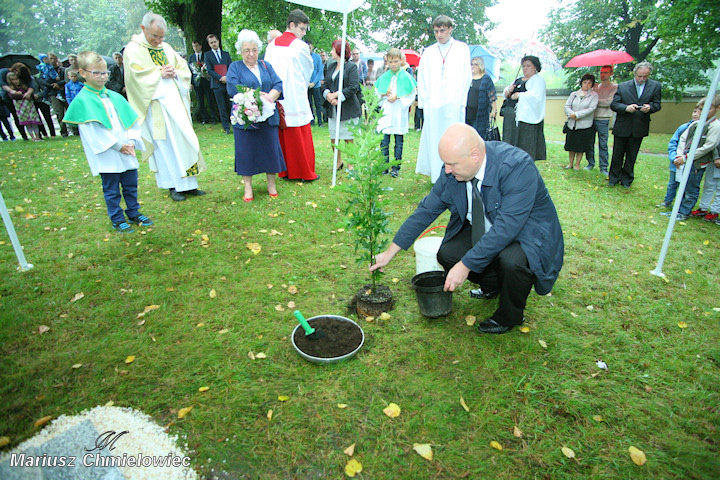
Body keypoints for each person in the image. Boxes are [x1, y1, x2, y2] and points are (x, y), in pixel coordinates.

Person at [370, 123, 564, 333]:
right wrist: (390, 252)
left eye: (452, 164)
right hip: (487, 228)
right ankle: (494, 285)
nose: (446, 170)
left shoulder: (517, 167)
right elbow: (425, 211)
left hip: (525, 234)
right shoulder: (453, 172)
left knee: (511, 261)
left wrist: (466, 265)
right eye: (445, 163)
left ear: (475, 156)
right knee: (448, 254)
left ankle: (510, 316)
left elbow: (506, 229)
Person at [63, 50, 152, 234]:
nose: (102, 76)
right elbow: (93, 132)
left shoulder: (115, 96)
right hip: (108, 153)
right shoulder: (83, 101)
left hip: (127, 149)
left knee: (130, 184)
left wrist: (132, 141)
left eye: (105, 72)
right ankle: (117, 218)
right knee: (111, 189)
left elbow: (131, 122)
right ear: (83, 73)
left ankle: (134, 212)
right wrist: (118, 146)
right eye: (96, 73)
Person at [124, 12, 207, 202]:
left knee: (184, 142)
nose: (159, 40)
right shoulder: (132, 50)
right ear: (143, 29)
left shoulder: (166, 47)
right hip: (157, 108)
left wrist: (175, 73)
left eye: (162, 36)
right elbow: (135, 79)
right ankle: (173, 185)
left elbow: (183, 69)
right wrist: (158, 73)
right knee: (166, 146)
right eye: (155, 36)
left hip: (177, 106)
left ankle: (190, 184)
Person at [227, 29, 286, 202]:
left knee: (270, 150)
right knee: (246, 152)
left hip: (268, 118)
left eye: (254, 50)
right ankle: (248, 187)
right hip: (245, 119)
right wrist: (256, 95)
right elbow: (233, 87)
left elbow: (278, 83)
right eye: (247, 50)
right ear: (240, 51)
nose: (251, 54)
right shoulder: (235, 67)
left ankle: (271, 184)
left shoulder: (266, 65)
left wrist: (271, 96)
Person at [264, 8, 319, 181]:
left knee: (283, 131)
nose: (303, 33)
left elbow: (267, 69)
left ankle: (285, 170)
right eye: (302, 29)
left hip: (277, 94)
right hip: (294, 95)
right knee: (299, 133)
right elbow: (307, 70)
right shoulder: (300, 46)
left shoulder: (271, 45)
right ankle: (304, 172)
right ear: (292, 25)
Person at [415, 14, 471, 183]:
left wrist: (461, 102)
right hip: (434, 103)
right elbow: (422, 77)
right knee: (435, 139)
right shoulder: (429, 52)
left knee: (454, 138)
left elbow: (466, 77)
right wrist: (425, 102)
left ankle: (455, 173)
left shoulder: (461, 48)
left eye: (443, 30)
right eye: (436, 31)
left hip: (453, 104)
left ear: (450, 29)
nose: (439, 34)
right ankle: (436, 176)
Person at [608, 61, 662, 188]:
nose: (642, 79)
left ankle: (626, 179)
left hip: (639, 126)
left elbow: (657, 104)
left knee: (632, 155)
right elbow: (614, 104)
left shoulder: (655, 86)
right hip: (623, 125)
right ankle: (613, 178)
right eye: (639, 76)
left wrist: (650, 107)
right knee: (618, 153)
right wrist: (626, 108)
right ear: (635, 73)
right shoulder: (623, 86)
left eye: (645, 76)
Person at [667, 95, 720, 221]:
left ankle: (684, 212)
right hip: (683, 161)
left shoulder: (715, 126)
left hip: (696, 164)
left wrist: (686, 157)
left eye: (708, 108)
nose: (702, 112)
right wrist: (679, 156)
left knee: (691, 188)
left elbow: (709, 146)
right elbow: (683, 139)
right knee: (682, 186)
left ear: (717, 108)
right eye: (700, 109)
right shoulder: (695, 124)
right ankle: (677, 211)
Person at [375, 47, 417, 177]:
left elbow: (411, 94)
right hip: (387, 112)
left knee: (398, 142)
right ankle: (384, 165)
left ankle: (396, 167)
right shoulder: (384, 77)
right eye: (391, 62)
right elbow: (377, 93)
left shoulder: (406, 76)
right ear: (387, 62)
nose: (393, 64)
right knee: (384, 141)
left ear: (401, 61)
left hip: (399, 112)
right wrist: (384, 95)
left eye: (396, 61)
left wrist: (398, 97)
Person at [323, 39, 361, 171]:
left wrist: (337, 96)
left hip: (348, 108)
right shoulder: (331, 66)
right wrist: (329, 96)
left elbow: (353, 87)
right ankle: (338, 162)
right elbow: (325, 84)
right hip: (332, 107)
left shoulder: (351, 67)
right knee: (334, 136)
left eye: (333, 49)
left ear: (340, 51)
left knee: (348, 137)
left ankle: (351, 163)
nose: (331, 52)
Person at [502, 55, 546, 160]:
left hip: (526, 119)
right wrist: (508, 90)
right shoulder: (517, 80)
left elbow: (536, 97)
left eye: (528, 66)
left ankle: (525, 163)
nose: (525, 68)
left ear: (535, 67)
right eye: (523, 66)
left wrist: (519, 95)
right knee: (510, 141)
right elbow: (507, 94)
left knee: (525, 143)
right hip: (511, 117)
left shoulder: (538, 80)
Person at [657, 108, 699, 209]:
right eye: (694, 111)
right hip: (676, 162)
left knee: (685, 185)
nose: (696, 114)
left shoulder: (704, 130)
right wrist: (674, 158)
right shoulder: (683, 128)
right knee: (672, 183)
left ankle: (681, 205)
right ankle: (667, 201)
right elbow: (673, 143)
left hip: (690, 164)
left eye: (699, 112)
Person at [586, 65, 617, 176]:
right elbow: (587, 100)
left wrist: (595, 100)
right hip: (591, 117)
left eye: (606, 72)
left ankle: (603, 167)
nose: (603, 75)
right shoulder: (595, 87)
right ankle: (590, 163)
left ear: (611, 73)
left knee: (603, 143)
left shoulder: (614, 87)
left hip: (603, 118)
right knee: (589, 142)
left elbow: (609, 102)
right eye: (601, 72)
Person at [563, 73, 598, 170]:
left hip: (584, 125)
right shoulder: (574, 94)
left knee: (580, 146)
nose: (586, 84)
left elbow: (591, 108)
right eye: (585, 82)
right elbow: (567, 106)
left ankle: (577, 164)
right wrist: (571, 114)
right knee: (571, 145)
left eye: (589, 83)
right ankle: (570, 163)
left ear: (592, 84)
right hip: (572, 124)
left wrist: (578, 115)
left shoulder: (594, 96)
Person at [204, 33, 232, 134]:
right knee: (221, 107)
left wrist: (227, 77)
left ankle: (234, 122)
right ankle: (226, 128)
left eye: (215, 42)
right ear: (209, 44)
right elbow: (209, 70)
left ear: (218, 41)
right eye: (211, 43)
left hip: (228, 83)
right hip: (217, 84)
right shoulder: (207, 55)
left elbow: (230, 67)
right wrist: (220, 78)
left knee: (231, 104)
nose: (214, 44)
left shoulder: (226, 54)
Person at [6, 68, 42, 141]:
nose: (15, 81)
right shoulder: (11, 89)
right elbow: (12, 96)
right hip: (20, 108)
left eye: (16, 79)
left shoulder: (25, 86)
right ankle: (33, 137)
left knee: (34, 121)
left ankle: (37, 136)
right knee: (27, 123)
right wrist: (20, 94)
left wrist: (26, 94)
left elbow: (31, 93)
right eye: (13, 80)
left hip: (29, 106)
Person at [465, 56, 496, 140]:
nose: (473, 66)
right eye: (471, 64)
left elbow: (492, 95)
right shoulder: (467, 78)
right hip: (466, 113)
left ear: (480, 66)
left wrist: (494, 109)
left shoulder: (486, 79)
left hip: (479, 114)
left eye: (475, 64)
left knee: (478, 137)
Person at [187, 40, 218, 124]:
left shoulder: (206, 55)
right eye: (193, 46)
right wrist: (191, 82)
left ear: (200, 46)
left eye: (196, 46)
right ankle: (204, 118)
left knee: (210, 99)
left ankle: (213, 118)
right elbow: (189, 70)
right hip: (197, 82)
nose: (195, 48)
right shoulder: (191, 57)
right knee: (200, 101)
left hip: (206, 81)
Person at [40, 53, 69, 137]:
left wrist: (59, 84)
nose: (52, 60)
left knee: (70, 110)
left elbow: (67, 79)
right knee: (59, 113)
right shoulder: (44, 70)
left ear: (57, 59)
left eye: (54, 58)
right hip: (53, 93)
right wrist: (52, 85)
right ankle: (64, 132)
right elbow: (41, 81)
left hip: (64, 92)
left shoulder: (63, 70)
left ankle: (75, 130)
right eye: (50, 58)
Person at [306, 41, 324, 128]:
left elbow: (319, 71)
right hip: (307, 85)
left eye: (309, 47)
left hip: (316, 85)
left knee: (318, 103)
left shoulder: (317, 57)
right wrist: (307, 83)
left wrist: (314, 82)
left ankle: (320, 121)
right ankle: (311, 120)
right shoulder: (303, 57)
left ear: (312, 47)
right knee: (309, 103)